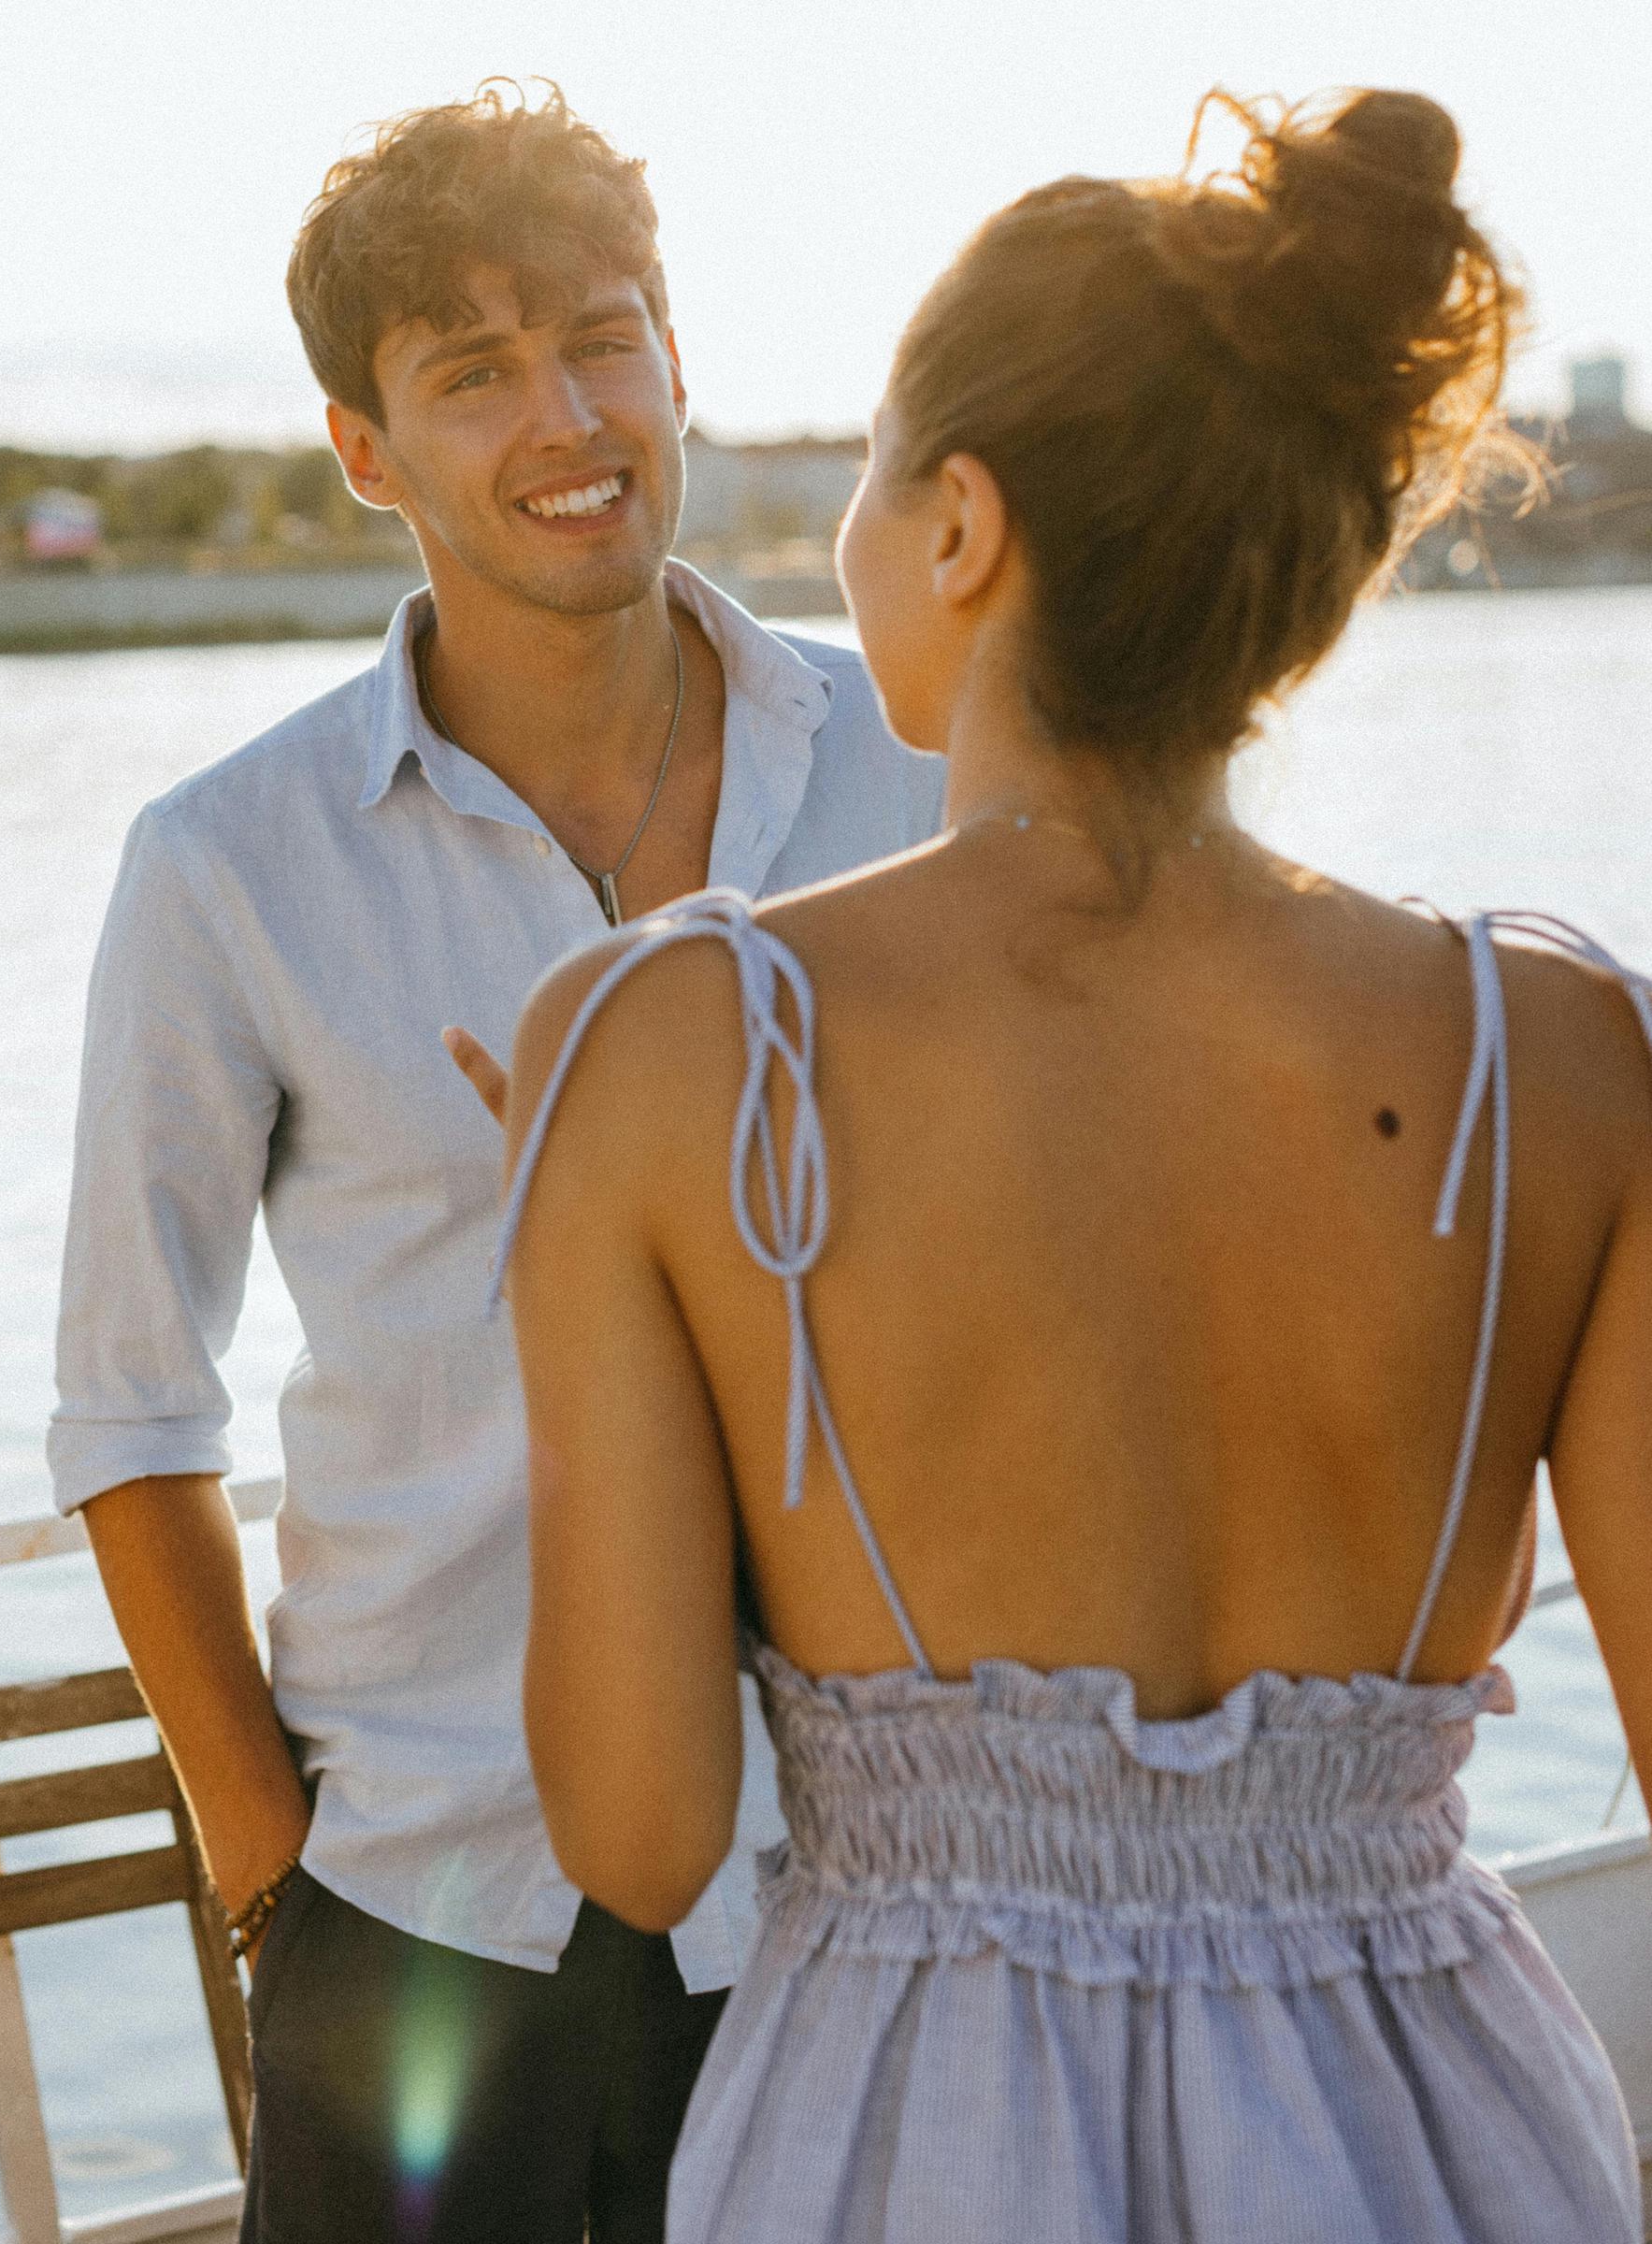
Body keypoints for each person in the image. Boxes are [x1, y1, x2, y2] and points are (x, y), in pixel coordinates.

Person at [497, 89, 1646, 2244]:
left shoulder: (661, 1054)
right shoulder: (1563, 1053)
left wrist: (581, 1255)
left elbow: (639, 1838)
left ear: (960, 529)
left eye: (861, 477)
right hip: (1448, 2136)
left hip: (925, 2138)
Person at [49, 83, 943, 2243]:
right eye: (473, 372)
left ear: (677, 360)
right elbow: (128, 1405)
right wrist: (275, 1878)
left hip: (886, 1886)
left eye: (604, 338)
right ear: (368, 448)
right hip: (437, 1926)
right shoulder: (225, 868)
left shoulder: (925, 774)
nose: (568, 416)